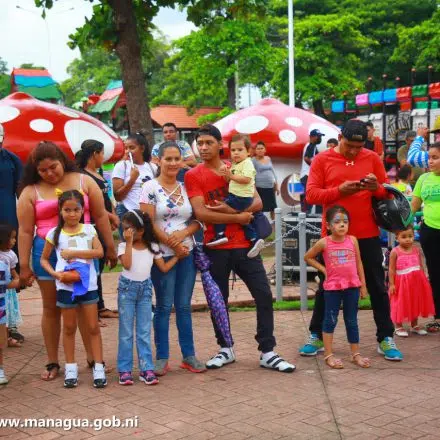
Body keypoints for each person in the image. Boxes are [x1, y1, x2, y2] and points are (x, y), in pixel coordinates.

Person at [185, 124, 295, 373]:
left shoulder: (237, 166)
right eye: (199, 143)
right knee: (218, 301)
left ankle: (267, 351)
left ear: (219, 145)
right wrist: (238, 217)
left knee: (263, 295)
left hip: (246, 246)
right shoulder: (194, 175)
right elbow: (201, 213)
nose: (203, 148)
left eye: (208, 143)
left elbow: (258, 201)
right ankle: (225, 348)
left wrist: (235, 212)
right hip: (215, 246)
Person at [299, 119, 403, 361]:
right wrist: (339, 191)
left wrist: (376, 188)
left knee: (377, 285)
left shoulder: (372, 158)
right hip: (334, 237)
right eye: (349, 146)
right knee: (328, 285)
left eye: (359, 147)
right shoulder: (322, 159)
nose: (354, 151)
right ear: (340, 138)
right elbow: (311, 194)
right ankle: (316, 335)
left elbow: (386, 193)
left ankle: (386, 337)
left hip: (367, 233)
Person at [17, 141, 117, 381]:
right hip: (47, 254)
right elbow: (25, 231)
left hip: (84, 254)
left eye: (53, 167)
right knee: (52, 308)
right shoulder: (30, 191)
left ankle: (94, 360)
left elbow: (100, 216)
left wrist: (110, 247)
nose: (50, 173)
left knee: (85, 306)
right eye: (43, 170)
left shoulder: (84, 181)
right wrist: (24, 265)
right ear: (35, 170)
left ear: (62, 161)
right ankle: (53, 362)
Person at [140, 141, 205, 376]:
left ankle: (189, 356)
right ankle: (161, 357)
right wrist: (172, 243)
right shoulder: (149, 187)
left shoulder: (187, 186)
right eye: (168, 159)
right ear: (158, 160)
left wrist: (184, 235)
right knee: (164, 306)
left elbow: (199, 219)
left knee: (184, 306)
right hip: (162, 256)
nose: (173, 163)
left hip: (187, 253)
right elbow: (147, 222)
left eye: (177, 158)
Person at [40, 190, 106, 388]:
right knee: (69, 327)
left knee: (93, 327)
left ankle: (98, 367)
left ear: (82, 210)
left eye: (76, 209)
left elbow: (99, 252)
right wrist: (55, 274)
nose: (72, 214)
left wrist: (74, 253)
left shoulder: (89, 230)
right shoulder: (54, 233)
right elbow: (44, 259)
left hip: (88, 286)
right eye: (67, 210)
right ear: (60, 211)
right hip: (65, 287)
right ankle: (70, 368)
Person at [117, 210, 189, 386]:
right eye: (125, 229)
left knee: (143, 331)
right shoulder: (123, 246)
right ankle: (125, 370)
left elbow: (163, 268)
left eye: (131, 229)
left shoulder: (153, 247)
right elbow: (127, 264)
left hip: (145, 290)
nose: (127, 233)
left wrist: (177, 257)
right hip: (127, 290)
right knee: (126, 332)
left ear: (142, 230)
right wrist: (128, 242)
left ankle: (146, 368)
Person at [304, 206, 370, 369]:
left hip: (352, 286)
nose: (342, 224)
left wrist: (363, 285)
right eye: (337, 221)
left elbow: (359, 263)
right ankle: (328, 355)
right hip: (332, 288)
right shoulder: (324, 242)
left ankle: (355, 354)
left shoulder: (352, 240)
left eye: (345, 221)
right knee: (330, 320)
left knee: (352, 320)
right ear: (328, 225)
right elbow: (308, 257)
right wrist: (324, 269)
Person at [76, 140, 119, 323]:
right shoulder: (83, 176)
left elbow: (106, 198)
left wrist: (113, 214)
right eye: (102, 153)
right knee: (92, 268)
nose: (103, 157)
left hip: (104, 224)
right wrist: (109, 216)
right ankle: (91, 309)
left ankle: (99, 306)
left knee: (99, 267)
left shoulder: (98, 173)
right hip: (91, 226)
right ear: (94, 154)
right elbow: (92, 205)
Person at [207, 134, 265, 258]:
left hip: (242, 197)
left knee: (221, 210)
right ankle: (254, 238)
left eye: (240, 150)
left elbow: (246, 179)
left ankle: (220, 234)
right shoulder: (236, 164)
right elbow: (229, 180)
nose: (236, 153)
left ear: (248, 152)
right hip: (237, 196)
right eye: (233, 150)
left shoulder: (247, 163)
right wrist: (225, 173)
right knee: (242, 219)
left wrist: (231, 176)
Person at [411, 142, 440, 333]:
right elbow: (414, 206)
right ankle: (438, 317)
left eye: (435, 157)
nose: (430, 161)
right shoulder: (423, 179)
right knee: (435, 274)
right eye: (429, 157)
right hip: (429, 232)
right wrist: (402, 225)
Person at [388, 225, 434, 337]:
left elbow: (420, 265)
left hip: (416, 281)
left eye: (410, 236)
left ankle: (414, 325)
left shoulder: (416, 250)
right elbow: (391, 269)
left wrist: (424, 278)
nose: (408, 239)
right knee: (400, 303)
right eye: (404, 237)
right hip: (401, 283)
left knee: (414, 301)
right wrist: (392, 284)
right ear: (397, 238)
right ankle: (398, 326)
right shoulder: (395, 251)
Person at [0, 123, 23, 343]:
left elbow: (22, 190)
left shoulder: (12, 160)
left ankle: (10, 324)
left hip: (7, 222)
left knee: (8, 270)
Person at [112, 132, 158, 239]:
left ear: (142, 148)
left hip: (148, 214)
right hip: (127, 212)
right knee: (130, 245)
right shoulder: (121, 166)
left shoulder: (152, 167)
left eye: (132, 148)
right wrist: (132, 179)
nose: (128, 151)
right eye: (126, 148)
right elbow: (118, 196)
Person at [0, 225, 22, 347]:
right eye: (12, 238)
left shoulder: (12, 255)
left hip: (8, 291)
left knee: (6, 315)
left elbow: (13, 271)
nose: (14, 241)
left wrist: (20, 281)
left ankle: (7, 338)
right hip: (1, 289)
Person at [0, 258, 18, 384]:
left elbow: (8, 284)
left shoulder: (2, 265)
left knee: (0, 342)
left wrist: (20, 281)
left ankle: (0, 371)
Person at [252, 141, 279, 221]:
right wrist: (254, 188)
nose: (260, 150)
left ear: (265, 150)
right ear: (255, 151)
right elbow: (252, 175)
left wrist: (276, 184)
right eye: (258, 149)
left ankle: (274, 223)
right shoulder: (253, 160)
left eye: (262, 148)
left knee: (273, 207)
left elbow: (273, 171)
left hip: (271, 187)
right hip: (259, 188)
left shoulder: (268, 158)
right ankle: (261, 224)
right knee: (260, 208)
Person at [299, 129, 324, 213]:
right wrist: (315, 167)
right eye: (318, 136)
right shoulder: (311, 145)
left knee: (309, 196)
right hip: (307, 175)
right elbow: (306, 158)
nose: (319, 138)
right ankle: (305, 215)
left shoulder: (312, 146)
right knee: (308, 196)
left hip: (307, 175)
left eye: (320, 136)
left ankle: (306, 214)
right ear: (312, 137)